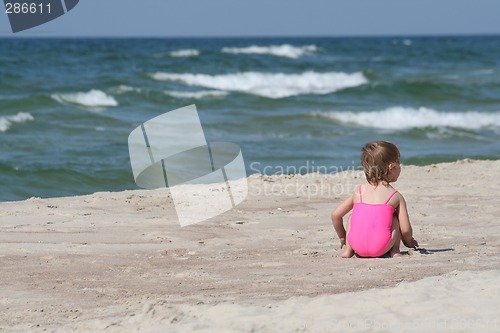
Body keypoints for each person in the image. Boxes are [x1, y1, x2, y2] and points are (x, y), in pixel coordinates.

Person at [331, 141, 418, 258]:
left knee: (352, 217)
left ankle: (348, 250)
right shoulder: (395, 196)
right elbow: (406, 230)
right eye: (399, 164)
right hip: (381, 247)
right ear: (391, 168)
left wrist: (343, 237)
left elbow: (336, 215)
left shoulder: (359, 191)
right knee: (395, 218)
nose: (400, 168)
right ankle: (395, 251)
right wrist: (409, 242)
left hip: (357, 245)